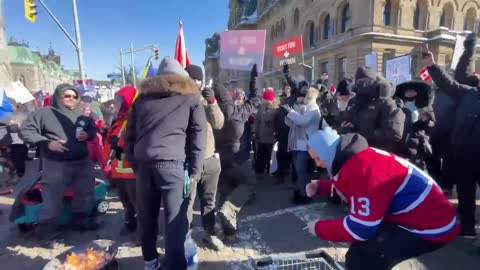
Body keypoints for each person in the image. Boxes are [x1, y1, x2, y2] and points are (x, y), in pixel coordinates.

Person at [305, 128, 459, 270]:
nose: (318, 164)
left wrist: (318, 228)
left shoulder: (364, 171)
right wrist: (321, 187)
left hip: (432, 227)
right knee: (360, 254)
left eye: (318, 158)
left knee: (364, 260)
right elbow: (351, 186)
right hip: (424, 215)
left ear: (329, 151)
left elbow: (360, 228)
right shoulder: (355, 157)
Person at [125, 57, 207, 270]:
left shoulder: (141, 100)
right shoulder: (191, 98)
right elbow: (199, 136)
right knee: (175, 223)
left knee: (146, 219)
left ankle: (150, 263)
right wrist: (195, 170)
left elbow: (129, 135)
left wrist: (136, 163)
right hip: (173, 166)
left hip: (145, 166)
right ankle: (176, 266)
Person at [20, 84, 99, 240]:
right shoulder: (43, 113)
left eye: (74, 96)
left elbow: (93, 130)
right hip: (55, 164)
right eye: (67, 96)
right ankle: (45, 233)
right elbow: (26, 131)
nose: (71, 99)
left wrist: (87, 135)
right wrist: (47, 143)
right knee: (52, 200)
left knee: (84, 195)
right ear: (58, 96)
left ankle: (80, 223)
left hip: (82, 163)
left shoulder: (82, 115)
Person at [422, 50, 480, 238]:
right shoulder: (469, 94)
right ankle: (468, 228)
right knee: (465, 194)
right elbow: (448, 84)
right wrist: (432, 65)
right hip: (462, 156)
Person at [214, 64, 261, 236]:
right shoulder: (238, 113)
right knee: (249, 184)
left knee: (225, 190)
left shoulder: (209, 113)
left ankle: (227, 228)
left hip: (220, 161)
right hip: (239, 158)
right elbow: (256, 99)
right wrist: (253, 77)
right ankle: (228, 210)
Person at [184, 64, 225, 251]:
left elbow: (219, 124)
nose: (196, 82)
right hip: (190, 161)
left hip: (210, 159)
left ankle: (210, 233)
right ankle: (185, 238)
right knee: (186, 202)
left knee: (209, 200)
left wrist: (213, 103)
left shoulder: (204, 100)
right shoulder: (179, 100)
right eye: (192, 78)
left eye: (198, 79)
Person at [341, 67, 405, 153]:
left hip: (377, 152)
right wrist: (344, 127)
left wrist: (362, 134)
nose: (363, 84)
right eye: (359, 81)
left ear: (374, 81)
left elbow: (394, 133)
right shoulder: (353, 102)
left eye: (366, 80)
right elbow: (344, 119)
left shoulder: (385, 102)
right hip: (354, 151)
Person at [103, 86, 137, 234]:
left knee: (137, 202)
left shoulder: (134, 120)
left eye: (118, 101)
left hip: (131, 172)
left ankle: (143, 228)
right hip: (119, 170)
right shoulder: (119, 120)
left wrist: (121, 144)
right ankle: (130, 220)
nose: (115, 104)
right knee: (125, 201)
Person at [280, 86, 322, 205]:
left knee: (301, 169)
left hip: (306, 144)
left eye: (300, 97)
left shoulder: (313, 108)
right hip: (297, 143)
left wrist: (290, 112)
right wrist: (287, 114)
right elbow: (290, 123)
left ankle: (306, 193)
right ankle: (303, 191)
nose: (297, 99)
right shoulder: (301, 107)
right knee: (299, 170)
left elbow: (302, 122)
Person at [393, 81, 435, 170]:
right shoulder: (399, 106)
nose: (410, 94)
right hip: (404, 147)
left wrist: (425, 122)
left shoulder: (424, 106)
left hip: (417, 148)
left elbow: (431, 124)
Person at [253, 88, 279, 174]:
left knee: (270, 156)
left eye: (266, 100)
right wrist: (254, 131)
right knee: (261, 154)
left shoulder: (276, 109)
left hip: (271, 137)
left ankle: (270, 170)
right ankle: (259, 170)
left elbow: (274, 120)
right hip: (262, 136)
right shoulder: (261, 108)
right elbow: (257, 121)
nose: (264, 101)